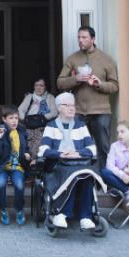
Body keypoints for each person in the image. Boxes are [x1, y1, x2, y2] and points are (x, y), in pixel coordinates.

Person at [38, 91, 97, 230]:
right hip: (59, 165)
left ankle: (85, 217)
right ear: (59, 108)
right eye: (67, 105)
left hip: (79, 164)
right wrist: (61, 154)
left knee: (88, 176)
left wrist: (77, 153)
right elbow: (43, 150)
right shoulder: (51, 126)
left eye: (73, 105)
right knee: (72, 175)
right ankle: (63, 213)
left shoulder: (81, 126)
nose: (72, 108)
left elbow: (93, 150)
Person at [56, 26, 119, 156]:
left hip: (101, 111)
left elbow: (114, 86)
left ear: (93, 39)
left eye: (84, 37)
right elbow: (60, 83)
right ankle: (82, 174)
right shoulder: (72, 58)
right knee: (77, 148)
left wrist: (99, 84)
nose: (80, 40)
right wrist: (76, 79)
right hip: (78, 111)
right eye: (79, 37)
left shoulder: (106, 59)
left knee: (103, 148)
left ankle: (103, 175)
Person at [0, 105, 30, 225]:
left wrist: (27, 154)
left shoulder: (21, 131)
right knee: (0, 184)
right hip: (2, 167)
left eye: (16, 118)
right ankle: (3, 210)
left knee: (19, 185)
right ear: (4, 119)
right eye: (11, 118)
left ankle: (19, 210)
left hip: (17, 166)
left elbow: (25, 148)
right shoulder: (0, 131)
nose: (14, 121)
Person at [17, 78, 58, 160]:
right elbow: (20, 110)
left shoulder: (50, 97)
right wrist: (25, 118)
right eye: (36, 85)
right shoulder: (29, 97)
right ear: (33, 87)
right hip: (30, 125)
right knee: (26, 141)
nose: (39, 88)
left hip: (44, 125)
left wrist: (42, 118)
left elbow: (55, 112)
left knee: (40, 142)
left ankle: (36, 161)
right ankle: (31, 161)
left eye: (41, 85)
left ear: (45, 87)